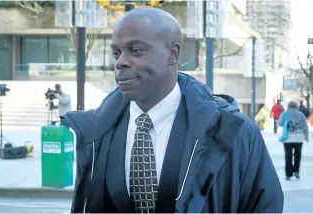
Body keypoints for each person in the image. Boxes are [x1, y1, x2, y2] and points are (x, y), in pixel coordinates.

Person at [61, 8, 283, 213]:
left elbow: (264, 205)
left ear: (172, 54)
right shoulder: (95, 133)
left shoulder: (234, 132)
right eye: (116, 53)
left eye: (135, 50)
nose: (120, 62)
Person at [277, 101, 309, 181]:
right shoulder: (300, 114)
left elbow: (279, 124)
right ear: (296, 106)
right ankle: (296, 171)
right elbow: (305, 126)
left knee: (288, 156)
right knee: (298, 155)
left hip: (287, 138)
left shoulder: (284, 114)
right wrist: (306, 136)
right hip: (299, 138)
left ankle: (288, 174)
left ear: (288, 106)